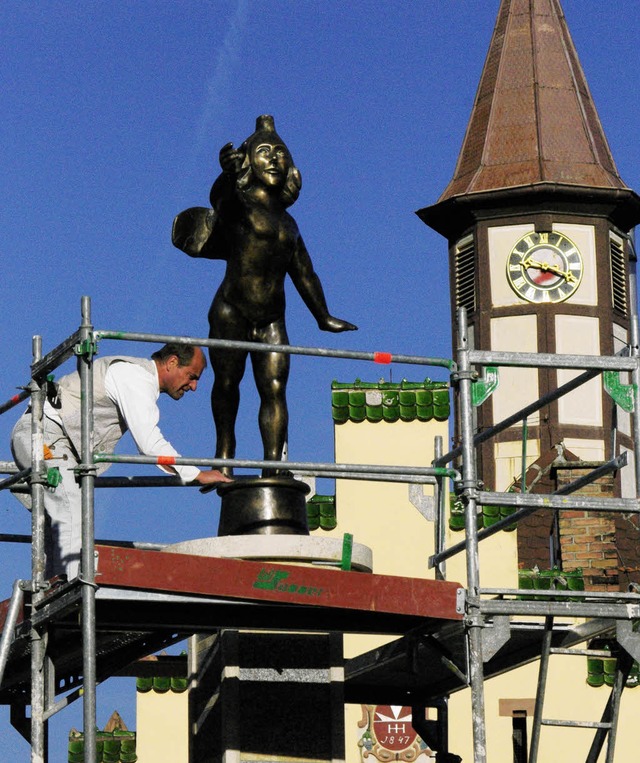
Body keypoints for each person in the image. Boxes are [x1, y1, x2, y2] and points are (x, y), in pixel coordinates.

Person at [172, 115, 357, 476]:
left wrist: (323, 316)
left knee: (274, 390)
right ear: (249, 162)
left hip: (272, 317)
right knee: (227, 384)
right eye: (264, 152)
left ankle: (273, 465)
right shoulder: (240, 205)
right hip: (231, 311)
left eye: (280, 153)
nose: (273, 159)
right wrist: (229, 174)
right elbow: (222, 203)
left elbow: (305, 273)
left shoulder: (290, 224)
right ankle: (224, 452)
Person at [10, 343, 231, 579]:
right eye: (192, 376)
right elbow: (150, 442)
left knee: (60, 520)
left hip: (46, 438)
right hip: (44, 437)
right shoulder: (135, 377)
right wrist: (196, 473)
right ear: (172, 363)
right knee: (71, 505)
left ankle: (53, 584)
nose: (194, 386)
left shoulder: (137, 379)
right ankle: (72, 586)